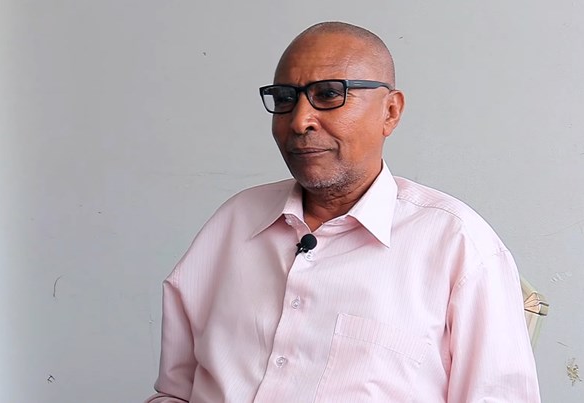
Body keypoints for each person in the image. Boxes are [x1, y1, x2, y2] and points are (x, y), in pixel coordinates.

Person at [146, 21, 541, 402]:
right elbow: (175, 392)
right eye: (284, 99)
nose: (300, 121)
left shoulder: (457, 245)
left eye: (329, 94)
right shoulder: (234, 224)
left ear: (390, 112)